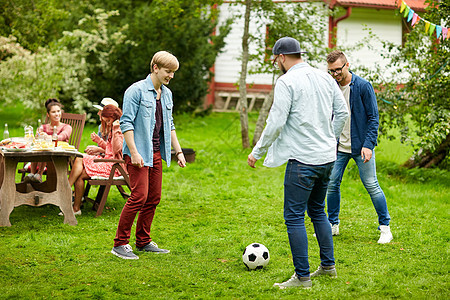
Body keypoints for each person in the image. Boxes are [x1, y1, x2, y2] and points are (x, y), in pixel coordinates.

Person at [247, 37, 349, 289]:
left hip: (303, 160)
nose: (276, 64)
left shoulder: (286, 81)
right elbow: (343, 112)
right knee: (317, 211)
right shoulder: (325, 76)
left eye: (275, 60)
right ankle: (328, 267)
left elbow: (276, 121)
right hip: (327, 158)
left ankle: (302, 277)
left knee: (293, 217)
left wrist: (257, 151)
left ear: (282, 57)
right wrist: (330, 139)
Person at [111, 51, 186, 260]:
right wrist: (134, 152)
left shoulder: (167, 94)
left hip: (155, 152)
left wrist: (178, 151)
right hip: (138, 152)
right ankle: (120, 243)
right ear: (155, 68)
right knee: (139, 196)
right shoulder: (136, 91)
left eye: (173, 73)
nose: (171, 76)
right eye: (168, 71)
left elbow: (169, 125)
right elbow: (126, 123)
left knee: (153, 197)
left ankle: (143, 241)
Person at [326, 50, 393, 244]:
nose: (335, 74)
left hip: (361, 146)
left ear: (347, 65)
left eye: (338, 70)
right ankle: (333, 225)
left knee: (372, 185)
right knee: (331, 184)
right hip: (338, 147)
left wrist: (368, 145)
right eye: (331, 71)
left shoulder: (363, 86)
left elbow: (373, 118)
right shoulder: (332, 86)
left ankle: (385, 228)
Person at [64, 104, 124, 215]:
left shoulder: (120, 128)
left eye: (109, 120)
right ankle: (74, 206)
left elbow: (116, 149)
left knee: (80, 161)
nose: (108, 123)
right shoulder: (114, 128)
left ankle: (66, 190)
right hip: (108, 161)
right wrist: (99, 141)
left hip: (115, 167)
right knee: (79, 162)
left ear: (115, 116)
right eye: (106, 121)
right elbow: (110, 149)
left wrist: (115, 129)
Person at [25, 98, 72, 183]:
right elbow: (36, 141)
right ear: (48, 114)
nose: (57, 114)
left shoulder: (67, 127)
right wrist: (38, 136)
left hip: (58, 158)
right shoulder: (43, 127)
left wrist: (48, 137)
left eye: (58, 111)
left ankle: (39, 174)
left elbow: (61, 137)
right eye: (53, 112)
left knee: (46, 147)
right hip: (41, 158)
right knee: (40, 146)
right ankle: (32, 175)